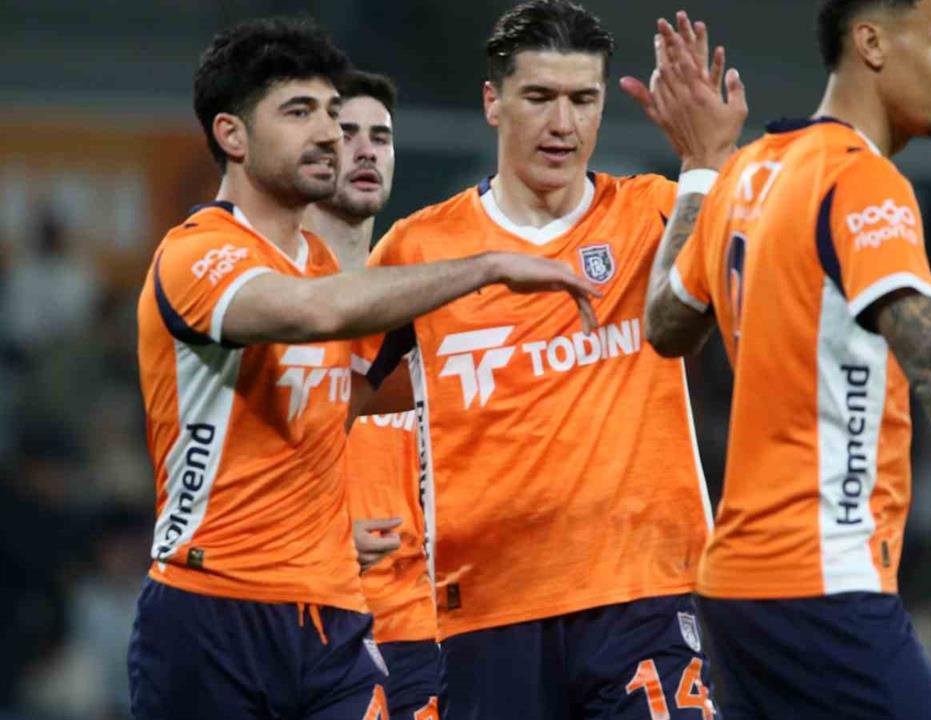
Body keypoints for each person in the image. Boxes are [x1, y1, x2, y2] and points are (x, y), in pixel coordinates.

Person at [129, 17, 599, 720]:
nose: (328, 134)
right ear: (232, 135)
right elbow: (310, 313)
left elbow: (353, 408)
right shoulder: (196, 255)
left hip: (335, 618)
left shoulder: (320, 263)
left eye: (330, 112)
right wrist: (488, 266)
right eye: (299, 113)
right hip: (213, 605)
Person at [639, 1, 931, 718]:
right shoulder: (860, 181)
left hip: (735, 591)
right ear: (871, 43)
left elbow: (664, 322)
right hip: (823, 582)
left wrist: (700, 171)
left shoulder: (748, 173)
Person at [352, 2, 745, 717]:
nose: (563, 124)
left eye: (582, 100)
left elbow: (733, 281)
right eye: (539, 97)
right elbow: (326, 399)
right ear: (492, 102)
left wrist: (708, 162)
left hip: (647, 594)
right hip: (485, 611)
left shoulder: (655, 213)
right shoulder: (421, 248)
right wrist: (324, 525)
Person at [304, 70, 444, 720]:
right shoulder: (269, 301)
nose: (366, 150)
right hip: (306, 621)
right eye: (347, 134)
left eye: (380, 137)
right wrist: (325, 538)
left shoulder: (425, 305)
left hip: (420, 630)